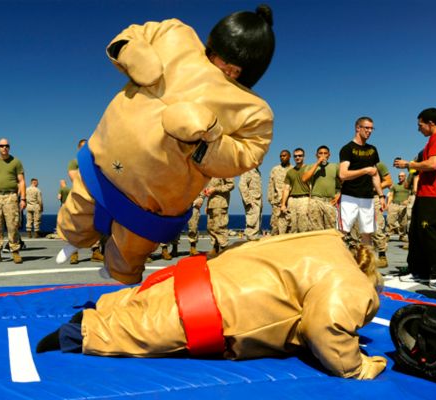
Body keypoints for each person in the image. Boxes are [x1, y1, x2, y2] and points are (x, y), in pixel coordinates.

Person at [55, 5, 275, 284]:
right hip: (103, 163)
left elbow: (247, 155)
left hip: (152, 201)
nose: (220, 69)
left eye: (230, 69)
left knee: (130, 248)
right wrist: (133, 52)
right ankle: (72, 239)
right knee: (80, 206)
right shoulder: (176, 35)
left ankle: (120, 276)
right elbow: (132, 34)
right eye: (217, 59)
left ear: (242, 71)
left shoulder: (253, 110)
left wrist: (209, 137)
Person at [37, 230, 387, 381]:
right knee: (144, 330)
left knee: (147, 298)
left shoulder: (324, 242)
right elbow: (325, 327)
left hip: (206, 272)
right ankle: (79, 332)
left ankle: (101, 307)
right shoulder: (353, 284)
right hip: (220, 309)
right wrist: (359, 366)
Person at [394, 108, 436, 289]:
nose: (418, 129)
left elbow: (433, 164)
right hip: (425, 193)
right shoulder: (434, 139)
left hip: (433, 194)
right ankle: (420, 272)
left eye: (420, 125)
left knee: (429, 234)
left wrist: (408, 164)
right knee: (417, 233)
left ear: (430, 123)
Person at [338, 117, 386, 246]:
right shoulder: (347, 149)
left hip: (367, 197)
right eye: (367, 128)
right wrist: (364, 170)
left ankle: (366, 264)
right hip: (349, 197)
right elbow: (342, 174)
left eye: (371, 128)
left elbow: (375, 174)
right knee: (342, 231)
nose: (369, 131)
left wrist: (381, 195)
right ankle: (338, 262)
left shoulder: (372, 150)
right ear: (358, 128)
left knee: (367, 232)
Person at [0, 138, 26, 264]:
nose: (4, 148)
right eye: (1, 146)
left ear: (9, 147)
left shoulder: (16, 162)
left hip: (11, 197)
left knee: (13, 225)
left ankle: (15, 252)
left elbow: (21, 181)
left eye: (6, 146)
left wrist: (23, 198)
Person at [64, 139, 105, 265]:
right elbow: (75, 178)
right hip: (80, 197)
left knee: (95, 225)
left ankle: (96, 251)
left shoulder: (96, 163)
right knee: (76, 225)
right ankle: (74, 254)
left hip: (94, 197)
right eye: (82, 148)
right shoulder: (74, 163)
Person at [301, 145, 340, 231]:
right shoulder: (311, 166)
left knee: (331, 229)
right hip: (316, 200)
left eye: (325, 153)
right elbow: (304, 178)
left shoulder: (335, 166)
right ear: (316, 155)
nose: (323, 155)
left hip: (330, 202)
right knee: (316, 230)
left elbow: (344, 180)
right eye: (320, 153)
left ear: (329, 155)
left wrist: (339, 195)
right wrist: (317, 164)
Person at [280, 148, 310, 233]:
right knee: (292, 225)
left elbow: (312, 186)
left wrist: (311, 200)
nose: (297, 157)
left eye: (300, 155)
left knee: (303, 225)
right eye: (295, 156)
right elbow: (286, 188)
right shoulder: (290, 172)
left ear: (303, 157)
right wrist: (283, 204)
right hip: (292, 200)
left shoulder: (308, 169)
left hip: (304, 198)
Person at [205, 178, 234, 256]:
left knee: (220, 228)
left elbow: (230, 185)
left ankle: (225, 250)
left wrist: (215, 189)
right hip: (211, 204)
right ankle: (216, 248)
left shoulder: (224, 168)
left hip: (220, 203)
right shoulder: (212, 170)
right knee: (210, 227)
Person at [267, 150, 292, 235]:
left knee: (289, 226)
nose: (282, 157)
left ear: (289, 157)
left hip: (289, 203)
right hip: (277, 203)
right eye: (281, 156)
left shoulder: (293, 170)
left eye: (284, 155)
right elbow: (270, 185)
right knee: (275, 226)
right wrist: (271, 200)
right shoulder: (275, 169)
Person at [238, 167, 263, 240]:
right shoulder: (248, 170)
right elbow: (241, 185)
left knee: (256, 226)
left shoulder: (257, 171)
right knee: (251, 228)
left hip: (258, 202)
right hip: (252, 203)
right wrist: (248, 201)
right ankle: (250, 245)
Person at [387, 171, 411, 241]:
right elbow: (391, 195)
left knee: (403, 222)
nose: (400, 177)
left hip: (403, 206)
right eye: (399, 176)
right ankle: (387, 235)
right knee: (390, 221)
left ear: (405, 176)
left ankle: (402, 236)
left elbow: (412, 194)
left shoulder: (408, 185)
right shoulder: (395, 186)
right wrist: (388, 204)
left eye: (402, 176)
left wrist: (408, 201)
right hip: (394, 204)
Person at [187, 191, 205, 255]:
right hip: (180, 204)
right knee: (175, 227)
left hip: (193, 206)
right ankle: (167, 249)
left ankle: (193, 247)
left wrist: (198, 201)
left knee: (193, 227)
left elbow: (202, 194)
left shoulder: (197, 181)